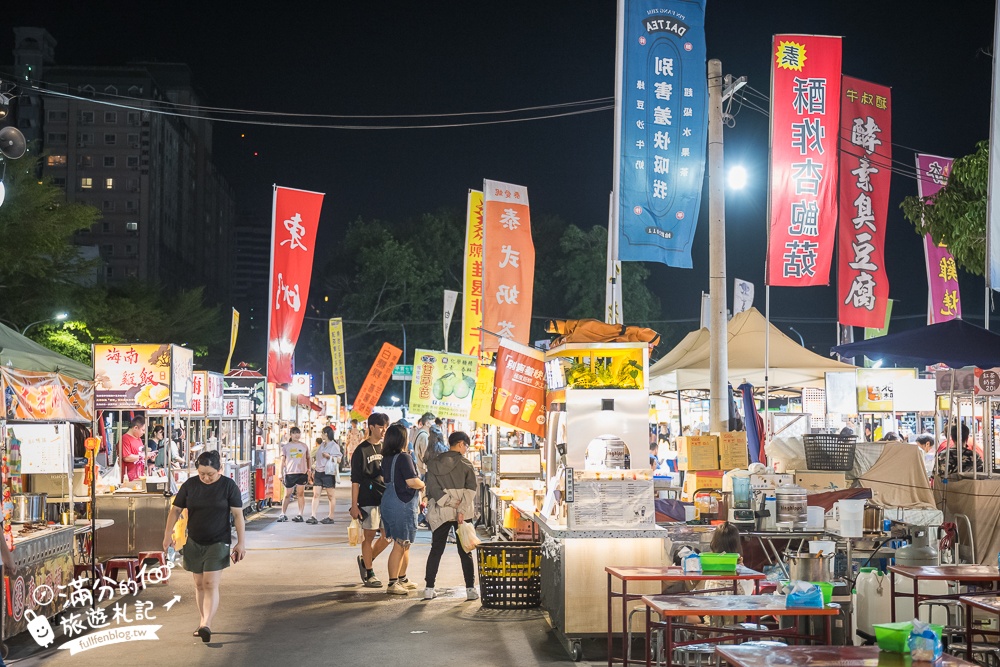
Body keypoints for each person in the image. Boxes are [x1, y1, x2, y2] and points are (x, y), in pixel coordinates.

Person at [162, 450, 246, 643]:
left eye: (210, 474)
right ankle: (202, 622)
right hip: (194, 541)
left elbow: (238, 516)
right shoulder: (190, 485)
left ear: (220, 469)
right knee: (199, 584)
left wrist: (241, 543)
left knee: (210, 583)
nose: (206, 478)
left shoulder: (228, 486)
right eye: (202, 474)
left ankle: (206, 624)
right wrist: (168, 534)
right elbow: (175, 510)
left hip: (219, 540)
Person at [423, 430, 478, 601]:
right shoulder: (466, 464)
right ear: (461, 444)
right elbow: (471, 490)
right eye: (466, 446)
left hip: (441, 511)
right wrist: (460, 509)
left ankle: (429, 588)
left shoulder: (433, 464)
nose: (466, 450)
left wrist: (447, 501)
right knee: (465, 551)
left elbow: (432, 488)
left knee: (436, 549)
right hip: (463, 512)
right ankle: (470, 589)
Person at [379, 423, 425, 595]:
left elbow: (384, 478)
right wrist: (423, 484)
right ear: (402, 439)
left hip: (389, 501)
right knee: (400, 544)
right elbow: (412, 481)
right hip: (402, 504)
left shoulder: (387, 458)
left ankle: (402, 578)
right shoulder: (404, 457)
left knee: (405, 543)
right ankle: (392, 583)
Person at [350, 413, 391, 587]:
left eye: (386, 427)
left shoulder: (386, 449)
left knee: (387, 536)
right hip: (368, 498)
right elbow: (355, 480)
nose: (383, 430)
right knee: (369, 535)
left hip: (386, 498)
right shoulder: (361, 450)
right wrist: (354, 505)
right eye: (381, 426)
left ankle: (366, 560)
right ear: (371, 427)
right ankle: (370, 572)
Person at [308, 426, 341, 524]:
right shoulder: (322, 445)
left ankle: (331, 516)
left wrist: (329, 456)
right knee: (316, 494)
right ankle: (313, 515)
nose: (321, 435)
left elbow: (339, 460)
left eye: (322, 433)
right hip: (318, 472)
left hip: (328, 473)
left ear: (326, 434)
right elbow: (318, 458)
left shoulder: (334, 445)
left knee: (330, 495)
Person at [277, 427, 310, 522]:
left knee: (300, 494)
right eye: (294, 433)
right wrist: (280, 473)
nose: (297, 435)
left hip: (301, 473)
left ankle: (300, 514)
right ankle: (283, 513)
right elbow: (282, 460)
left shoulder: (304, 446)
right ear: (290, 435)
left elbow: (308, 458)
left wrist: (309, 469)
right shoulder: (286, 447)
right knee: (287, 494)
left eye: (298, 433)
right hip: (290, 473)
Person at [120, 415, 147, 481]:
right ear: (135, 428)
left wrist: (149, 455)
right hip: (129, 478)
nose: (144, 432)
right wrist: (144, 456)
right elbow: (127, 457)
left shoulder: (139, 439)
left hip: (140, 475)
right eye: (143, 430)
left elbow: (142, 453)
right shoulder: (125, 438)